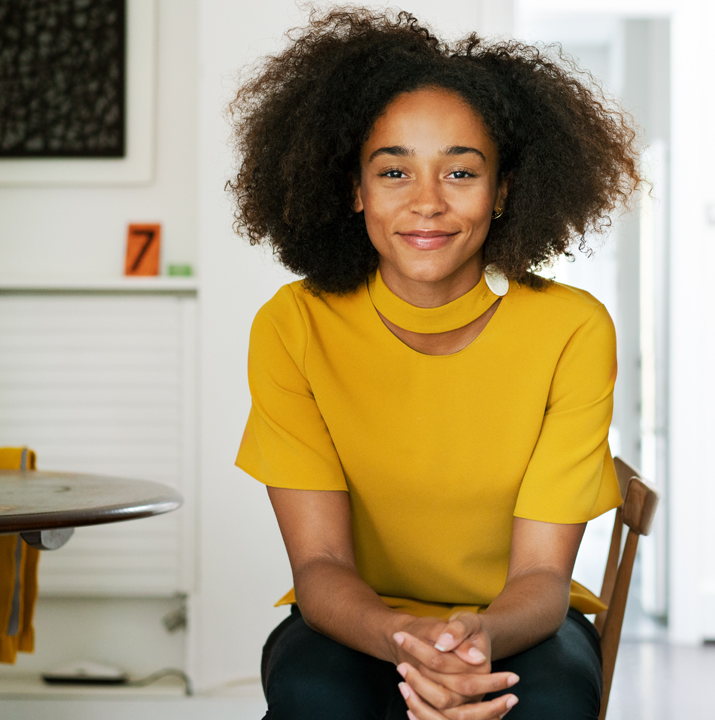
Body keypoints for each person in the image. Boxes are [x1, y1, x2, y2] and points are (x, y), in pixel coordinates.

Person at [229, 8, 641, 719]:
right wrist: (405, 637)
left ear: (504, 190)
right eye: (394, 171)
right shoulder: (294, 327)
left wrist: (472, 640)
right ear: (355, 190)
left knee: (556, 698)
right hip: (357, 619)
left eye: (460, 171)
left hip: (518, 621)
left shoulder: (571, 330)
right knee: (312, 692)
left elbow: (542, 578)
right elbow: (321, 568)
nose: (427, 203)